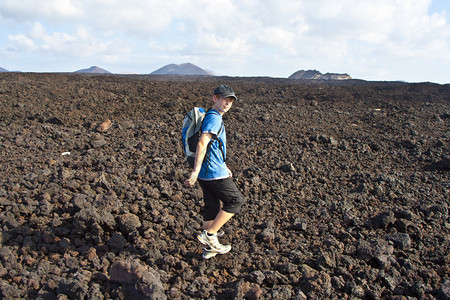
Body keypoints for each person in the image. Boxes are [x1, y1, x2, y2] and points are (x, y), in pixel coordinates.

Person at [184, 84, 244, 254]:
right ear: (215, 98)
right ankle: (210, 236)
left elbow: (213, 145)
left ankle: (208, 249)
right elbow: (203, 142)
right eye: (224, 99)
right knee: (235, 201)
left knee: (211, 205)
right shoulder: (215, 118)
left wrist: (223, 165)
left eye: (230, 100)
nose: (227, 103)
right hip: (211, 171)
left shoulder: (209, 116)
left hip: (206, 171)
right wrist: (195, 171)